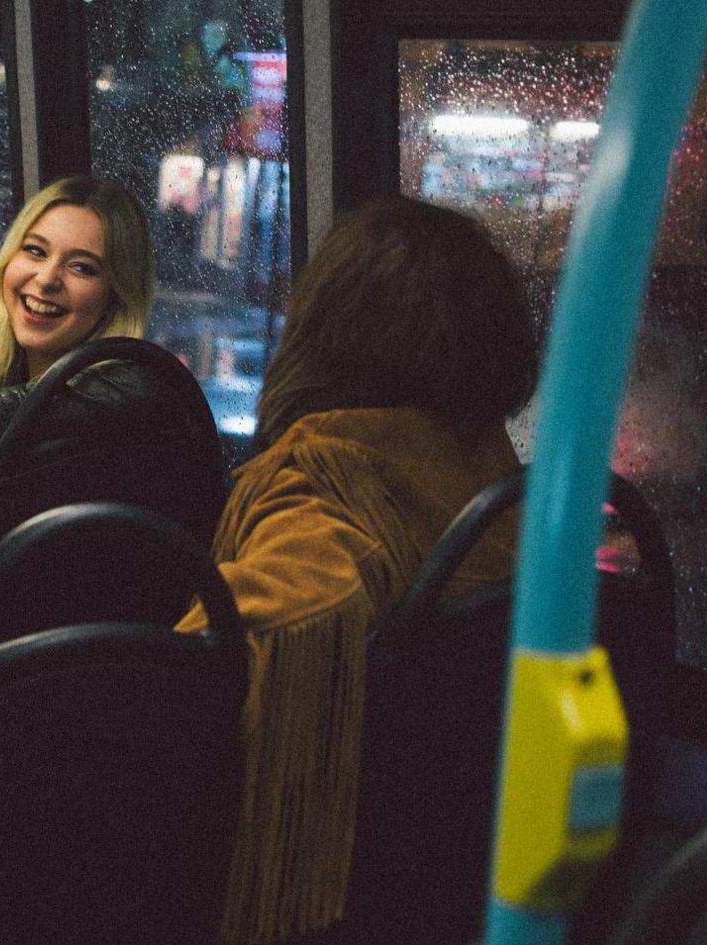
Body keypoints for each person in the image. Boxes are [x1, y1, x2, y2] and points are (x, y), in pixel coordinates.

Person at [175, 195, 539, 945]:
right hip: (454, 885)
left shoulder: (323, 483)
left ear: (329, 334)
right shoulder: (493, 480)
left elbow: (282, 614)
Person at [0, 176, 158, 525]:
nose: (46, 279)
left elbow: (144, 396)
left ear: (114, 297)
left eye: (81, 267)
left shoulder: (114, 430)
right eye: (35, 250)